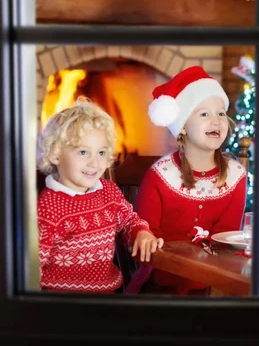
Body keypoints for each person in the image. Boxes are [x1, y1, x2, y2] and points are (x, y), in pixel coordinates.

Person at [126, 66, 247, 295]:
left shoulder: (235, 176)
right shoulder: (160, 175)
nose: (216, 121)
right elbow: (146, 234)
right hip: (162, 283)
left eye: (221, 113)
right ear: (181, 127)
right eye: (204, 114)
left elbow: (226, 237)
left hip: (212, 281)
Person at [36, 97, 163, 294]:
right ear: (55, 154)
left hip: (106, 296)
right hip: (61, 304)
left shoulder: (108, 192)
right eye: (83, 152)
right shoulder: (49, 207)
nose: (95, 163)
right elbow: (32, 266)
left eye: (101, 153)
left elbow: (128, 221)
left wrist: (141, 232)